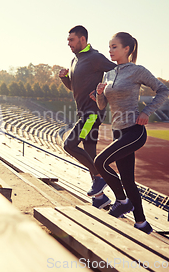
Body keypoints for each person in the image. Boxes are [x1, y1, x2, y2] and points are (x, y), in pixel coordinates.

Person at [91, 32, 169, 234]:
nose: (110, 50)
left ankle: (122, 201)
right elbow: (102, 106)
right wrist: (100, 94)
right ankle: (142, 223)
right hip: (118, 131)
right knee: (127, 180)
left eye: (114, 46)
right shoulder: (108, 74)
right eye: (109, 47)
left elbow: (163, 90)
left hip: (134, 131)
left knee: (100, 162)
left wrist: (146, 112)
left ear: (127, 49)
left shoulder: (137, 71)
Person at [59, 25, 116, 209]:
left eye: (71, 40)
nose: (68, 43)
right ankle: (100, 198)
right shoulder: (75, 60)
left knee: (69, 145)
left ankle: (101, 178)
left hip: (92, 114)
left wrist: (103, 91)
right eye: (68, 40)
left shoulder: (95, 58)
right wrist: (64, 79)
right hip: (82, 113)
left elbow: (117, 73)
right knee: (90, 153)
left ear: (82, 39)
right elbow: (75, 88)